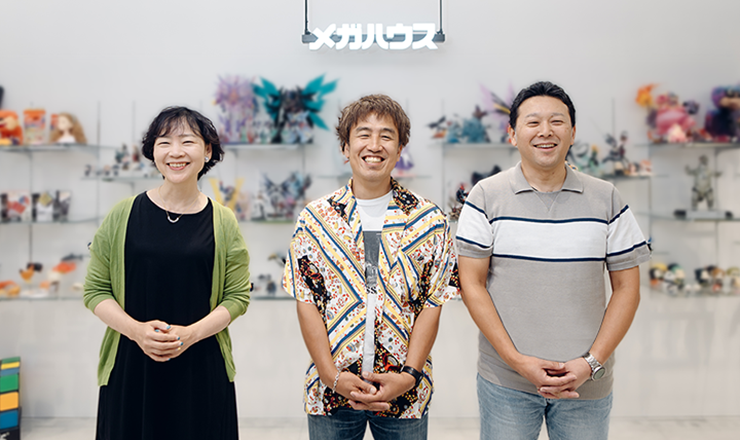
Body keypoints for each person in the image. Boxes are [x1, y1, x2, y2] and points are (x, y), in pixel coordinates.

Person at [456, 81, 650, 440]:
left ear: (572, 133)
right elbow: (471, 284)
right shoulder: (485, 196)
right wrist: (517, 361)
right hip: (507, 383)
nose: (545, 131)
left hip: (586, 384)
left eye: (557, 121)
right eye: (533, 122)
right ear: (512, 134)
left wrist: (590, 363)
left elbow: (627, 289)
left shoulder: (606, 197)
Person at [283, 94, 458, 440]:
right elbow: (306, 301)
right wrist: (331, 375)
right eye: (363, 134)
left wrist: (409, 375)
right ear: (345, 148)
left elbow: (433, 303)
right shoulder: (316, 219)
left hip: (404, 391)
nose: (374, 145)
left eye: (386, 136)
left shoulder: (429, 220)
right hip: (331, 390)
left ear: (400, 148)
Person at [83, 106, 251, 440]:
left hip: (201, 366)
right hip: (131, 366)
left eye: (187, 141)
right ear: (153, 152)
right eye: (164, 142)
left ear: (207, 151)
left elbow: (237, 297)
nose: (176, 152)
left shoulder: (223, 220)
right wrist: (136, 331)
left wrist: (190, 335)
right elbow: (95, 290)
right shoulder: (122, 214)